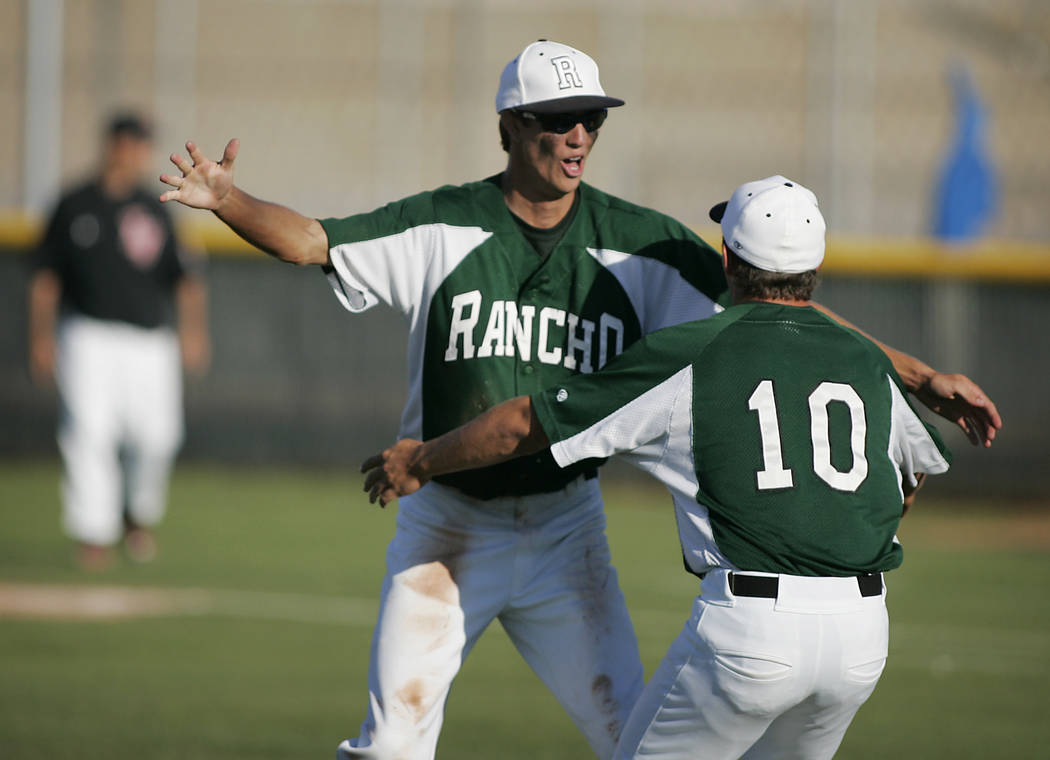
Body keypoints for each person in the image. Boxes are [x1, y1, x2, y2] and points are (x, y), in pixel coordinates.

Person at [159, 41, 997, 759]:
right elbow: (313, 243)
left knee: (626, 733)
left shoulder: (643, 242)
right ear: (510, 126)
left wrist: (919, 377)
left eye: (592, 117)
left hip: (567, 532)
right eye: (559, 117)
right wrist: (228, 199)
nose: (580, 134)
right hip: (450, 528)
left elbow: (781, 306)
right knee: (391, 744)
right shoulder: (444, 223)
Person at [362, 175, 956, 759]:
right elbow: (911, 473)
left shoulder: (694, 350)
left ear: (726, 255)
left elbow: (525, 425)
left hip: (753, 631)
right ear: (816, 267)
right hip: (861, 634)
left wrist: (423, 457)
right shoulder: (866, 357)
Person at [28, 112, 210, 571]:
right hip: (87, 335)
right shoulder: (74, 204)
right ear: (111, 145)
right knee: (89, 431)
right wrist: (41, 338)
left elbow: (186, 279)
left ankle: (135, 514)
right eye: (129, 143)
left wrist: (193, 332)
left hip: (149, 341)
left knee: (158, 437)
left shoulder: (156, 207)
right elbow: (45, 279)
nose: (134, 153)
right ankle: (93, 531)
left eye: (141, 145)